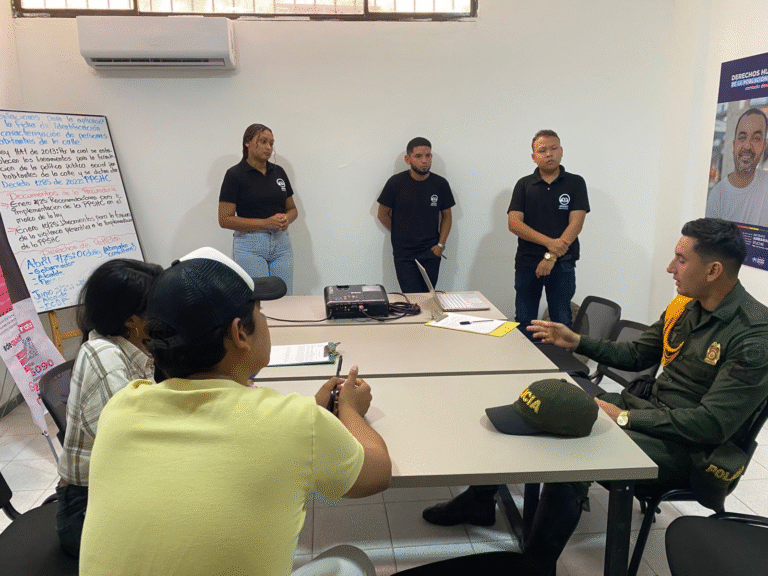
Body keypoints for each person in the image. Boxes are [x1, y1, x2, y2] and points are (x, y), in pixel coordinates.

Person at [423, 218, 768, 576]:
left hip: (690, 450)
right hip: (652, 414)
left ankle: (536, 566)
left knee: (572, 449)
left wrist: (621, 417)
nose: (670, 267)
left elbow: (711, 425)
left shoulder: (753, 334)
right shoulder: (686, 305)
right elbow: (637, 354)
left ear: (713, 270)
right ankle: (480, 502)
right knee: (544, 403)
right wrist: (576, 341)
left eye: (681, 259)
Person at [78, 247, 392, 576]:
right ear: (239, 333)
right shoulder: (295, 421)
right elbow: (377, 475)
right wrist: (349, 410)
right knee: (350, 563)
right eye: (261, 312)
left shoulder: (122, 408)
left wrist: (311, 419)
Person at [55, 258, 162, 558]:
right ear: (131, 320)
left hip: (110, 490)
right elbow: (140, 447)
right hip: (85, 511)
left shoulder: (131, 344)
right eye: (157, 308)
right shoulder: (105, 359)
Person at [507, 129, 589, 338]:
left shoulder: (576, 183)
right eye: (542, 150)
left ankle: (564, 370)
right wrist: (551, 244)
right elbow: (514, 223)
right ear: (534, 157)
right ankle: (526, 367)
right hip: (527, 263)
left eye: (554, 148)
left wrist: (551, 256)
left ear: (561, 151)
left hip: (562, 263)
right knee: (525, 321)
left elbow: (576, 224)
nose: (549, 154)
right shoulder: (524, 184)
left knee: (561, 320)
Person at [219, 123, 298, 294]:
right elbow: (224, 219)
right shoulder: (235, 175)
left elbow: (292, 209)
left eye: (271, 143)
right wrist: (265, 223)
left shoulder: (279, 173)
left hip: (281, 244)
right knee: (258, 301)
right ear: (247, 142)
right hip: (250, 246)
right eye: (263, 141)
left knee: (285, 299)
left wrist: (287, 219)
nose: (269, 148)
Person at [377, 137, 455, 292]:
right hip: (404, 254)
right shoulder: (395, 183)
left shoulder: (440, 184)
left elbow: (447, 215)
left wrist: (440, 245)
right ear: (408, 159)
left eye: (428, 155)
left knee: (428, 297)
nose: (424, 160)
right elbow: (382, 214)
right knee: (413, 298)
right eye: (418, 156)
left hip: (431, 251)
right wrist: (401, 233)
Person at [706, 108, 768, 227]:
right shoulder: (717, 196)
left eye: (756, 138)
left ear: (763, 146)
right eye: (742, 137)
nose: (747, 146)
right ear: (734, 145)